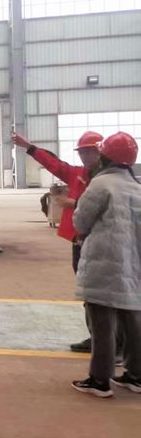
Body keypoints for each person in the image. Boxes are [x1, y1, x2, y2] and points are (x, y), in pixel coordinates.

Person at [13, 130, 104, 353]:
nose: (84, 156)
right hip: (79, 240)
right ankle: (99, 337)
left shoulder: (106, 180)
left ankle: (109, 342)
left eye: (89, 152)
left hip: (99, 241)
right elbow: (54, 164)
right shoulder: (78, 174)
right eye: (82, 152)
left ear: (101, 152)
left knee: (100, 293)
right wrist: (29, 147)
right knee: (89, 292)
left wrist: (75, 203)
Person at [71, 132, 141, 397]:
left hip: (103, 263)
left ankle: (100, 380)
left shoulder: (101, 184)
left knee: (101, 322)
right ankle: (136, 376)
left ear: (105, 157)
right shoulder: (136, 186)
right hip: (131, 264)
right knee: (132, 319)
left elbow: (81, 222)